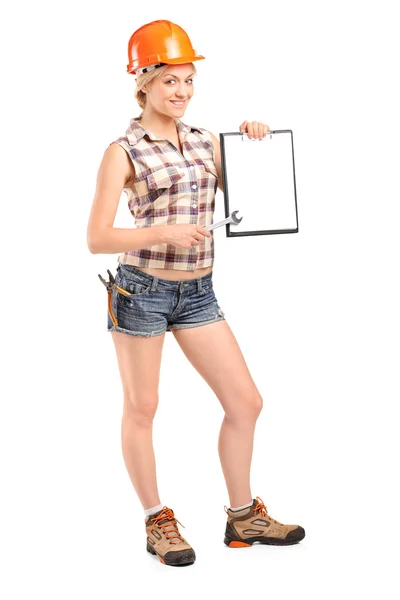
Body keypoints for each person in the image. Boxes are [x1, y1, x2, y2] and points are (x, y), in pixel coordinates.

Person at [87, 19, 305, 567]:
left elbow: (253, 196)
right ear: (143, 83)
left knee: (246, 402)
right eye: (169, 81)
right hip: (141, 291)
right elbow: (97, 237)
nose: (181, 91)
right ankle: (157, 520)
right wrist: (161, 231)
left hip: (199, 292)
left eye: (188, 80)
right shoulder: (123, 150)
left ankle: (242, 517)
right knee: (143, 407)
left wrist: (256, 140)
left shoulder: (207, 141)